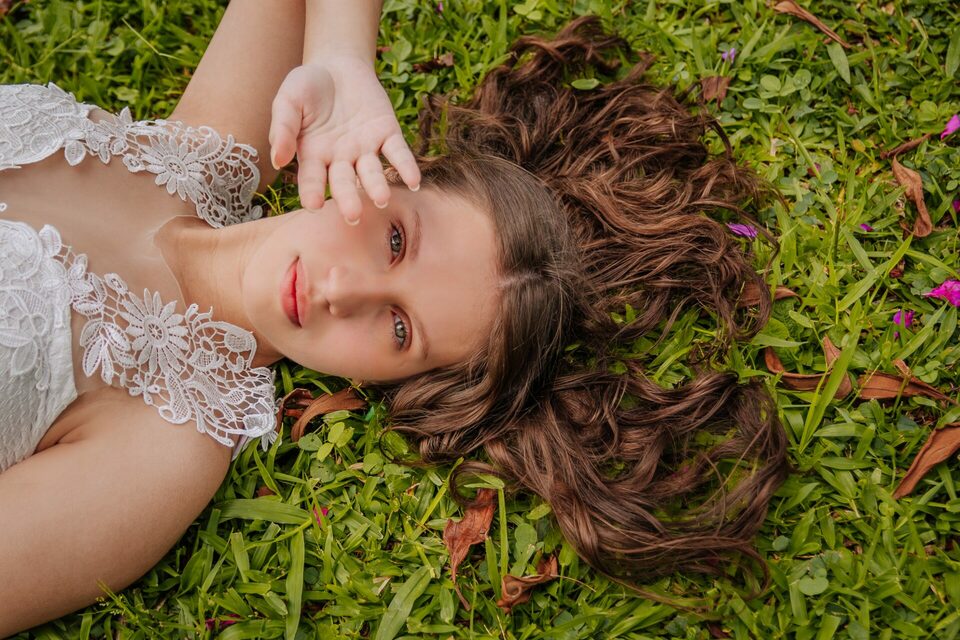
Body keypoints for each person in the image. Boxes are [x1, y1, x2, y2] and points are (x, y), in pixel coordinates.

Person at [0, 2, 788, 636]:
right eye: (396, 239)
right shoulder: (204, 151)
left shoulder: (163, 451)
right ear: (384, 166)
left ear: (400, 383)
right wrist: (343, 57)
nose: (345, 292)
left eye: (400, 330)